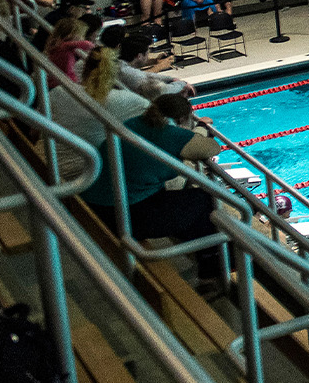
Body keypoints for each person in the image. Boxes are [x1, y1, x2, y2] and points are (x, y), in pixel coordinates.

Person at [84, 92, 225, 285]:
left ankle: (202, 254)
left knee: (178, 198)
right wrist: (200, 128)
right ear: (182, 119)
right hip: (122, 217)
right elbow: (211, 148)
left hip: (94, 203)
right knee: (206, 198)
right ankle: (210, 270)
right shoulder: (172, 134)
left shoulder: (133, 123)